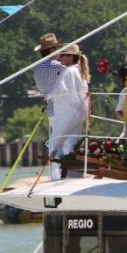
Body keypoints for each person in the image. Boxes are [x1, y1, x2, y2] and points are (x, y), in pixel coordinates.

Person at [48, 43, 90, 180]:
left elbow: (60, 90)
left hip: (66, 112)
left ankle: (56, 176)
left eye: (63, 55)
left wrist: (49, 96)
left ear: (71, 57)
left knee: (55, 144)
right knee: (73, 142)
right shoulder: (79, 71)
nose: (59, 58)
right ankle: (74, 175)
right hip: (77, 113)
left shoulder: (68, 72)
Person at [33, 33, 65, 119]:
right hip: (61, 107)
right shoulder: (58, 66)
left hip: (50, 109)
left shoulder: (37, 67)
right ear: (52, 51)